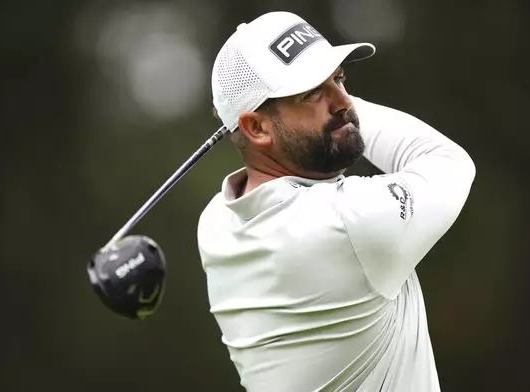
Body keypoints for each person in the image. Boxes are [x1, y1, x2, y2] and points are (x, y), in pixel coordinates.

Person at [196, 11, 476, 392]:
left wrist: (326, 99)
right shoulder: (347, 223)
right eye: (312, 92)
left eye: (340, 78)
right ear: (256, 127)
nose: (345, 101)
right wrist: (345, 109)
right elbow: (447, 162)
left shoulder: (216, 223)